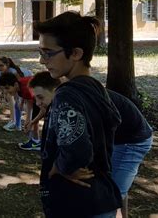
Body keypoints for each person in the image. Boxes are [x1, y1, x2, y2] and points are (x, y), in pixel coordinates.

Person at [35, 11, 122, 217]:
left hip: (79, 203)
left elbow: (78, 149)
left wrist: (60, 166)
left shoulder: (67, 95)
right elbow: (115, 120)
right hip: (101, 199)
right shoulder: (95, 87)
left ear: (76, 53)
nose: (41, 60)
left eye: (48, 53)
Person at [106, 89, 153, 218]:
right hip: (123, 138)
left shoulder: (75, 97)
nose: (43, 103)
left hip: (132, 142)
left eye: (43, 98)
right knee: (116, 189)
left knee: (111, 198)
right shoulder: (78, 91)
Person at [0, 72, 41, 151]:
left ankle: (37, 142)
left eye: (7, 88)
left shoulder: (25, 88)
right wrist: (28, 119)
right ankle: (35, 141)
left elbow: (32, 103)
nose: (6, 91)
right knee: (33, 121)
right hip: (37, 99)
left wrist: (29, 121)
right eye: (4, 88)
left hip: (45, 98)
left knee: (35, 120)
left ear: (15, 84)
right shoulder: (19, 87)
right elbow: (29, 101)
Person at [0, 57, 26, 131]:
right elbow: (4, 84)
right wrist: (4, 93)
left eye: (1, 65)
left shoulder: (12, 71)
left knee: (19, 104)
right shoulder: (1, 72)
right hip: (15, 87)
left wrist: (17, 96)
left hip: (23, 85)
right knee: (16, 104)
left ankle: (15, 122)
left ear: (7, 64)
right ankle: (17, 124)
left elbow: (19, 82)